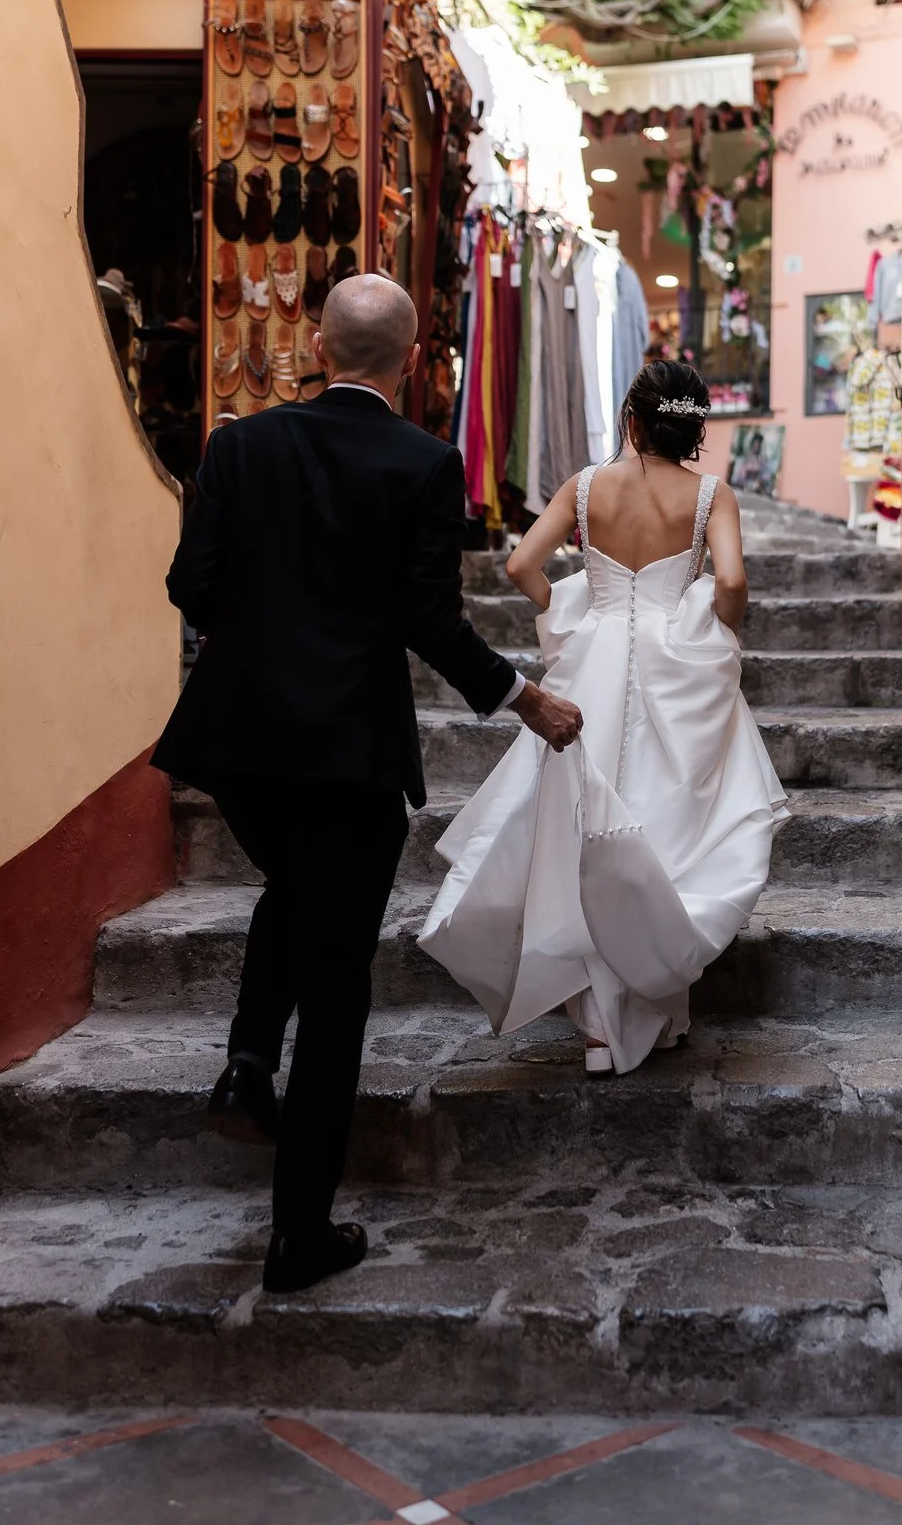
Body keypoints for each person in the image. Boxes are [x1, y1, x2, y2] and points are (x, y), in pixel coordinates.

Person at [152, 276, 582, 1293]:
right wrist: (524, 700)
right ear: (416, 353)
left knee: (292, 889)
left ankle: (250, 1063)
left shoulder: (238, 447)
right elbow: (428, 621)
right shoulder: (423, 463)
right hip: (346, 748)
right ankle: (299, 1233)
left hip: (239, 740)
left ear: (315, 342)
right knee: (338, 985)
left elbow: (190, 587)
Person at [419, 360, 787, 1075]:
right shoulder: (713, 494)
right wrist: (721, 628)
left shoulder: (586, 488)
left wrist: (571, 611)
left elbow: (522, 564)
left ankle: (597, 1026)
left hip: (594, 662)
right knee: (668, 830)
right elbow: (734, 581)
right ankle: (658, 1006)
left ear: (633, 421)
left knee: (581, 828)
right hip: (678, 666)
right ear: (690, 426)